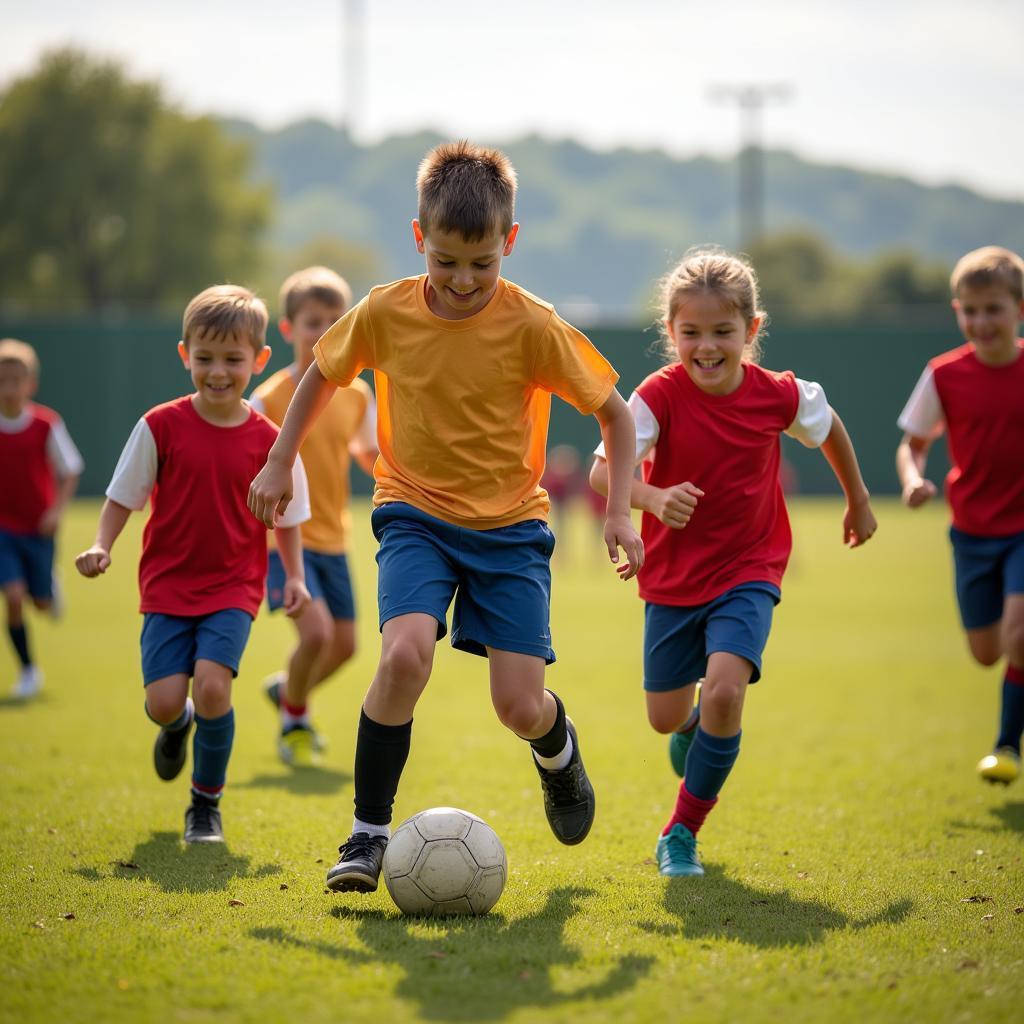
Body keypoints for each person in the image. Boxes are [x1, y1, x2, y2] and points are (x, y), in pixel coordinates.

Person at [248, 140, 644, 894]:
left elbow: (617, 420)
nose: (464, 282)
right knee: (402, 658)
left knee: (519, 707)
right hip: (414, 513)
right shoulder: (386, 310)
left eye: (482, 265)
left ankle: (558, 751)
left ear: (510, 244)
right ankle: (367, 835)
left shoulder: (533, 325)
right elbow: (320, 378)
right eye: (447, 262)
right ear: (419, 237)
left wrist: (620, 512)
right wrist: (277, 458)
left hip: (512, 529)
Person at [591, 248, 876, 877]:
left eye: (723, 331)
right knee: (665, 717)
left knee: (725, 690)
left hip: (751, 567)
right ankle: (691, 726)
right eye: (691, 333)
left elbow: (829, 428)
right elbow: (601, 469)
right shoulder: (657, 397)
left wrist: (857, 499)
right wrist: (652, 496)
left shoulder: (778, 395)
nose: (707, 346)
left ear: (752, 330)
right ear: (671, 334)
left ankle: (681, 833)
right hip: (672, 578)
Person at [75, 285, 311, 843]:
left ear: (258, 360)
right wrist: (102, 544)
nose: (218, 372)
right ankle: (176, 725)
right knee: (163, 703)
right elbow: (122, 496)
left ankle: (205, 806)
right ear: (186, 355)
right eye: (205, 359)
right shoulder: (159, 426)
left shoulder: (272, 443)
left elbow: (292, 513)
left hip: (234, 585)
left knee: (212, 688)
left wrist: (296, 576)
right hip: (166, 586)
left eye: (232, 360)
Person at [896, 246, 1024, 786]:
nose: (981, 321)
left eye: (993, 308)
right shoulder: (944, 374)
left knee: (1019, 636)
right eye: (969, 311)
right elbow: (913, 444)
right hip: (971, 529)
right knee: (986, 651)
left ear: (1018, 308)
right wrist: (913, 479)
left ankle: (1006, 746)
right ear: (957, 311)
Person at [250, 266, 378, 768]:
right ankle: (295, 718)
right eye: (311, 321)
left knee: (345, 646)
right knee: (318, 635)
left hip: (335, 540)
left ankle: (286, 687)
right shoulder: (266, 399)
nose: (323, 331)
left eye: (333, 320)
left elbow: (367, 454)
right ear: (287, 329)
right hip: (283, 542)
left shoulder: (357, 394)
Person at [0, 338, 83, 699]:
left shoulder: (46, 425)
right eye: (2, 381)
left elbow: (70, 470)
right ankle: (29, 670)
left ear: (30, 383)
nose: (8, 388)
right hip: (4, 529)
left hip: (38, 529)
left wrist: (56, 511)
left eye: (15, 381)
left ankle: (49, 581)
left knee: (42, 603)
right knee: (14, 598)